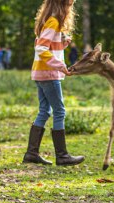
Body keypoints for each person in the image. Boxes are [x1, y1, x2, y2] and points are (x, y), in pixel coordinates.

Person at [23, 0, 84, 166]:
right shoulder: (53, 22)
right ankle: (62, 156)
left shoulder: (48, 20)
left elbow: (47, 47)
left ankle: (31, 153)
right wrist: (60, 65)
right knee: (59, 111)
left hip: (41, 72)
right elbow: (41, 49)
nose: (70, 9)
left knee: (44, 111)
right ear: (61, 6)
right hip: (49, 74)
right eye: (68, 6)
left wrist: (62, 45)